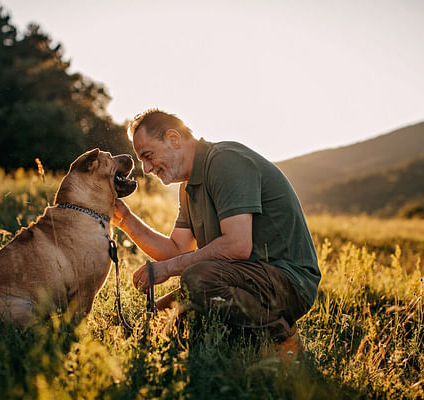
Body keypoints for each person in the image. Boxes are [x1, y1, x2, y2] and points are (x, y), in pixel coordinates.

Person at [112, 109, 320, 355]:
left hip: (289, 281)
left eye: (148, 155)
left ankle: (282, 341)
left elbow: (237, 245)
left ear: (173, 138)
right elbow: (176, 250)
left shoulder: (225, 161)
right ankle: (237, 340)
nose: (145, 168)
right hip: (242, 278)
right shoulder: (188, 186)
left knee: (197, 279)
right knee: (154, 322)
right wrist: (125, 219)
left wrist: (166, 270)